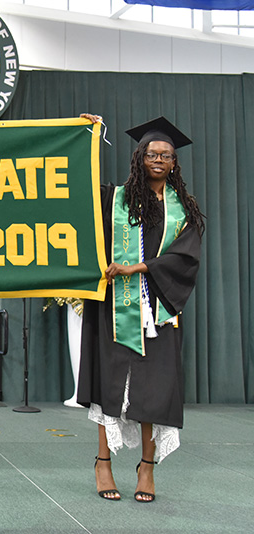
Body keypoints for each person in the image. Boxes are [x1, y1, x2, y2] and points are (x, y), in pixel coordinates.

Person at [77, 115, 204, 503]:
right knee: (109, 387)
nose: (159, 159)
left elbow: (186, 257)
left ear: (174, 162)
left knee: (154, 391)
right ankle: (103, 463)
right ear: (140, 157)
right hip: (114, 306)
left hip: (159, 309)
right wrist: (85, 137)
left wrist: (140, 267)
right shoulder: (114, 198)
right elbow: (75, 188)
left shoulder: (185, 209)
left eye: (166, 154)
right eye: (152, 153)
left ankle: (146, 470)